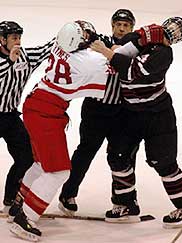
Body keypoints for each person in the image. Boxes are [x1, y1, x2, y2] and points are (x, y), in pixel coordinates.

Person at [8, 20, 121, 241]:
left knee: (41, 164)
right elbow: (116, 65)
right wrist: (111, 51)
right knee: (58, 171)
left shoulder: (59, 46)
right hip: (46, 116)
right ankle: (26, 218)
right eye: (86, 35)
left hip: (34, 105)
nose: (89, 37)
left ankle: (18, 205)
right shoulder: (89, 62)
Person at [91, 16, 182, 228]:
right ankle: (126, 204)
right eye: (164, 33)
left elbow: (132, 71)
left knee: (163, 161)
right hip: (131, 113)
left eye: (170, 36)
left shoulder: (164, 54)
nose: (166, 38)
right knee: (118, 155)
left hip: (159, 116)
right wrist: (139, 37)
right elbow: (121, 45)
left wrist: (106, 51)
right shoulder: (143, 40)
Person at [58, 9, 138, 216]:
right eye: (118, 24)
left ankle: (124, 200)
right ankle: (68, 194)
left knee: (123, 157)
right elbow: (81, 40)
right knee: (85, 151)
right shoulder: (99, 42)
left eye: (126, 25)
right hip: (95, 109)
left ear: (132, 28)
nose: (121, 28)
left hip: (122, 112)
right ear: (112, 26)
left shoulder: (136, 49)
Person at [0, 21, 55, 212]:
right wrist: (9, 62)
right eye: (14, 38)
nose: (18, 41)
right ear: (2, 39)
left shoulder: (26, 57)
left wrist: (69, 34)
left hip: (10, 118)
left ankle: (10, 200)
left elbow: (47, 49)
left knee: (26, 158)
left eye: (19, 37)